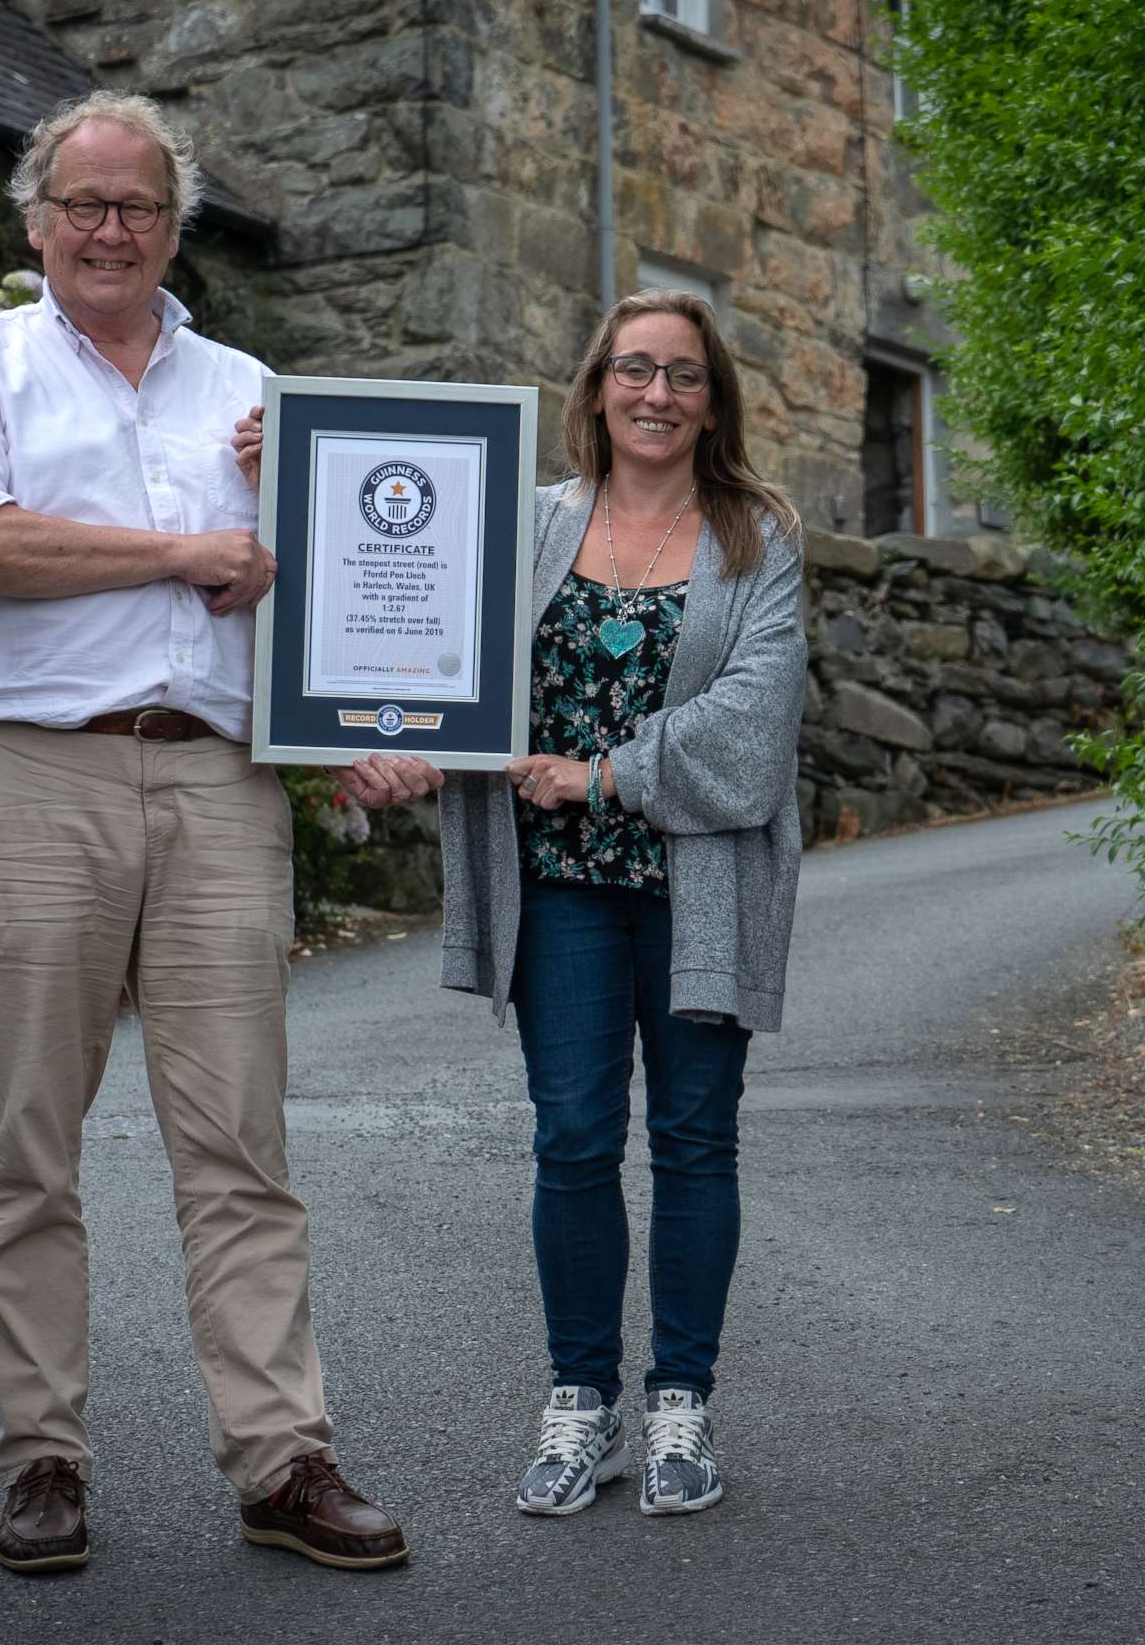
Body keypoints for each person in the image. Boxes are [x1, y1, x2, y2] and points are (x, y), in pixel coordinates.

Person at [0, 89, 418, 1576]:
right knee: (24, 1151)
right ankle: (42, 1460)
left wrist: (368, 721)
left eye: (137, 207)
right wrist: (192, 550)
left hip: (216, 788)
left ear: (176, 227)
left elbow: (325, 580)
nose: (108, 229)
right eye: (83, 204)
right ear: (37, 218)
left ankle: (281, 1460)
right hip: (24, 779)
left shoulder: (249, 387)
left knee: (239, 1144)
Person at [237, 290, 806, 1517]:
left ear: (716, 403)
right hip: (561, 892)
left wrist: (603, 773)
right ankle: (580, 1406)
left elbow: (755, 730)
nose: (658, 394)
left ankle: (680, 1411)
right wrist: (387, 735)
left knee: (698, 1144)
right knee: (574, 1142)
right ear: (596, 386)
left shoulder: (758, 537)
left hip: (700, 887)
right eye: (635, 370)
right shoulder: (523, 522)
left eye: (685, 377)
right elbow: (438, 659)